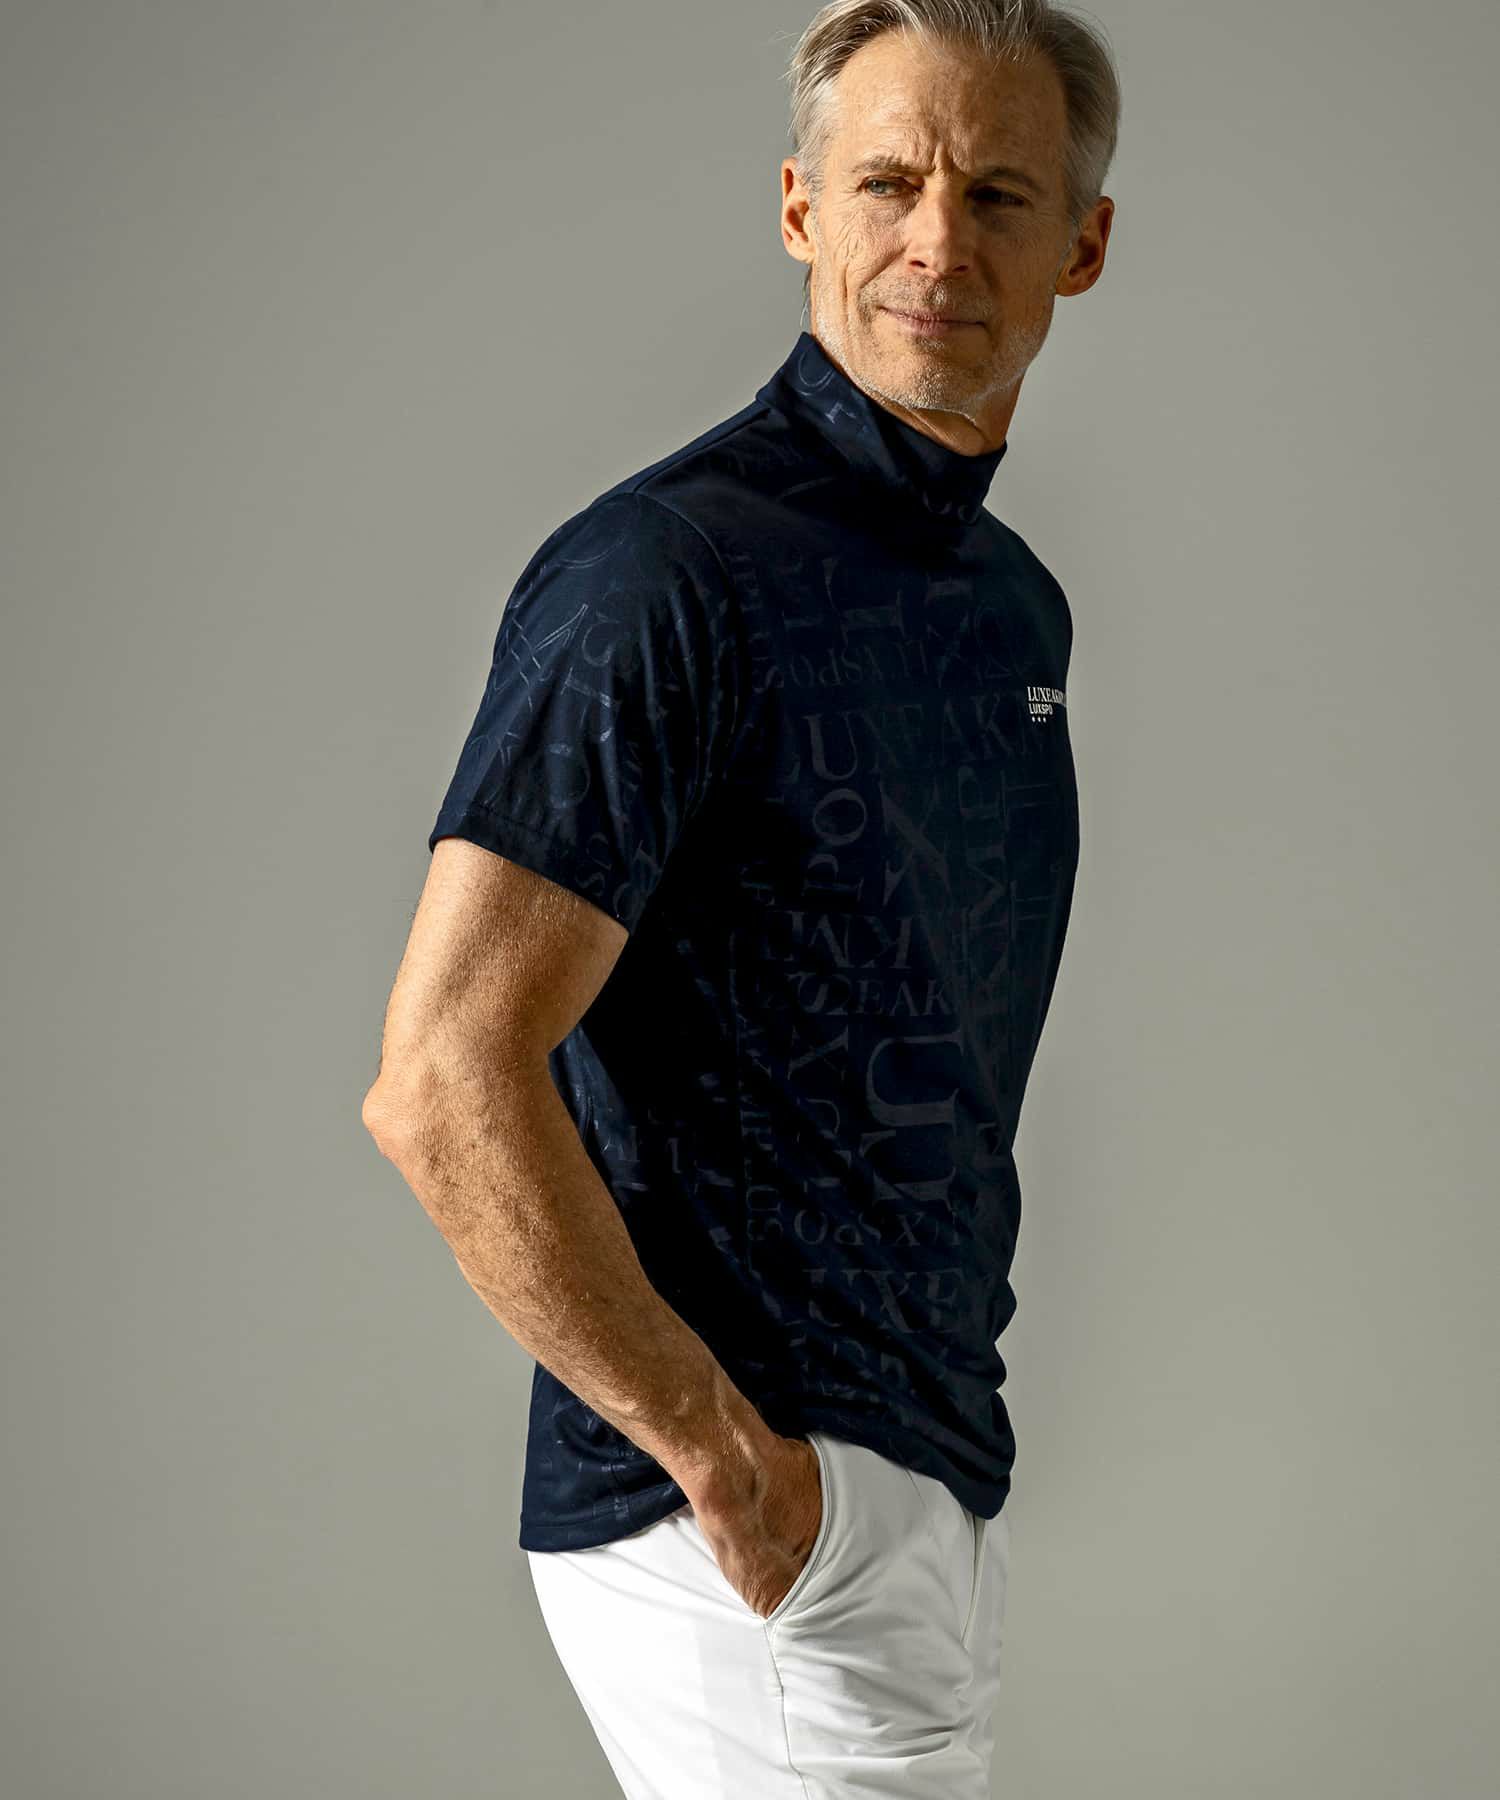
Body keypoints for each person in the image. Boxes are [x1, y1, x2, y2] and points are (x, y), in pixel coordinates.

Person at [361, 0, 1116, 1792]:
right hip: (748, 1513)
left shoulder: (1011, 606)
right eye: (889, 184)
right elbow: (442, 1078)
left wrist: (887, 1505)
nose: (940, 243)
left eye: (1000, 195)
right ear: (800, 211)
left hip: (921, 1478)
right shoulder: (668, 572)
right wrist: (728, 1464)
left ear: (1083, 246)